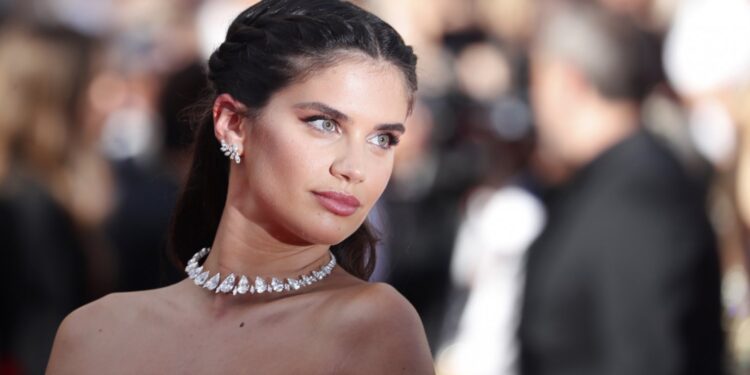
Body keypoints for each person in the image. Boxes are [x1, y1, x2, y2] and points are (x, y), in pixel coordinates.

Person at [46, 0, 434, 373]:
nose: (355, 168)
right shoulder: (93, 334)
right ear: (232, 124)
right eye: (323, 123)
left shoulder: (374, 325)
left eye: (382, 139)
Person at [518, 3, 724, 375]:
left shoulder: (643, 198)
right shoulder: (613, 182)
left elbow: (646, 355)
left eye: (534, 82)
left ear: (567, 82)